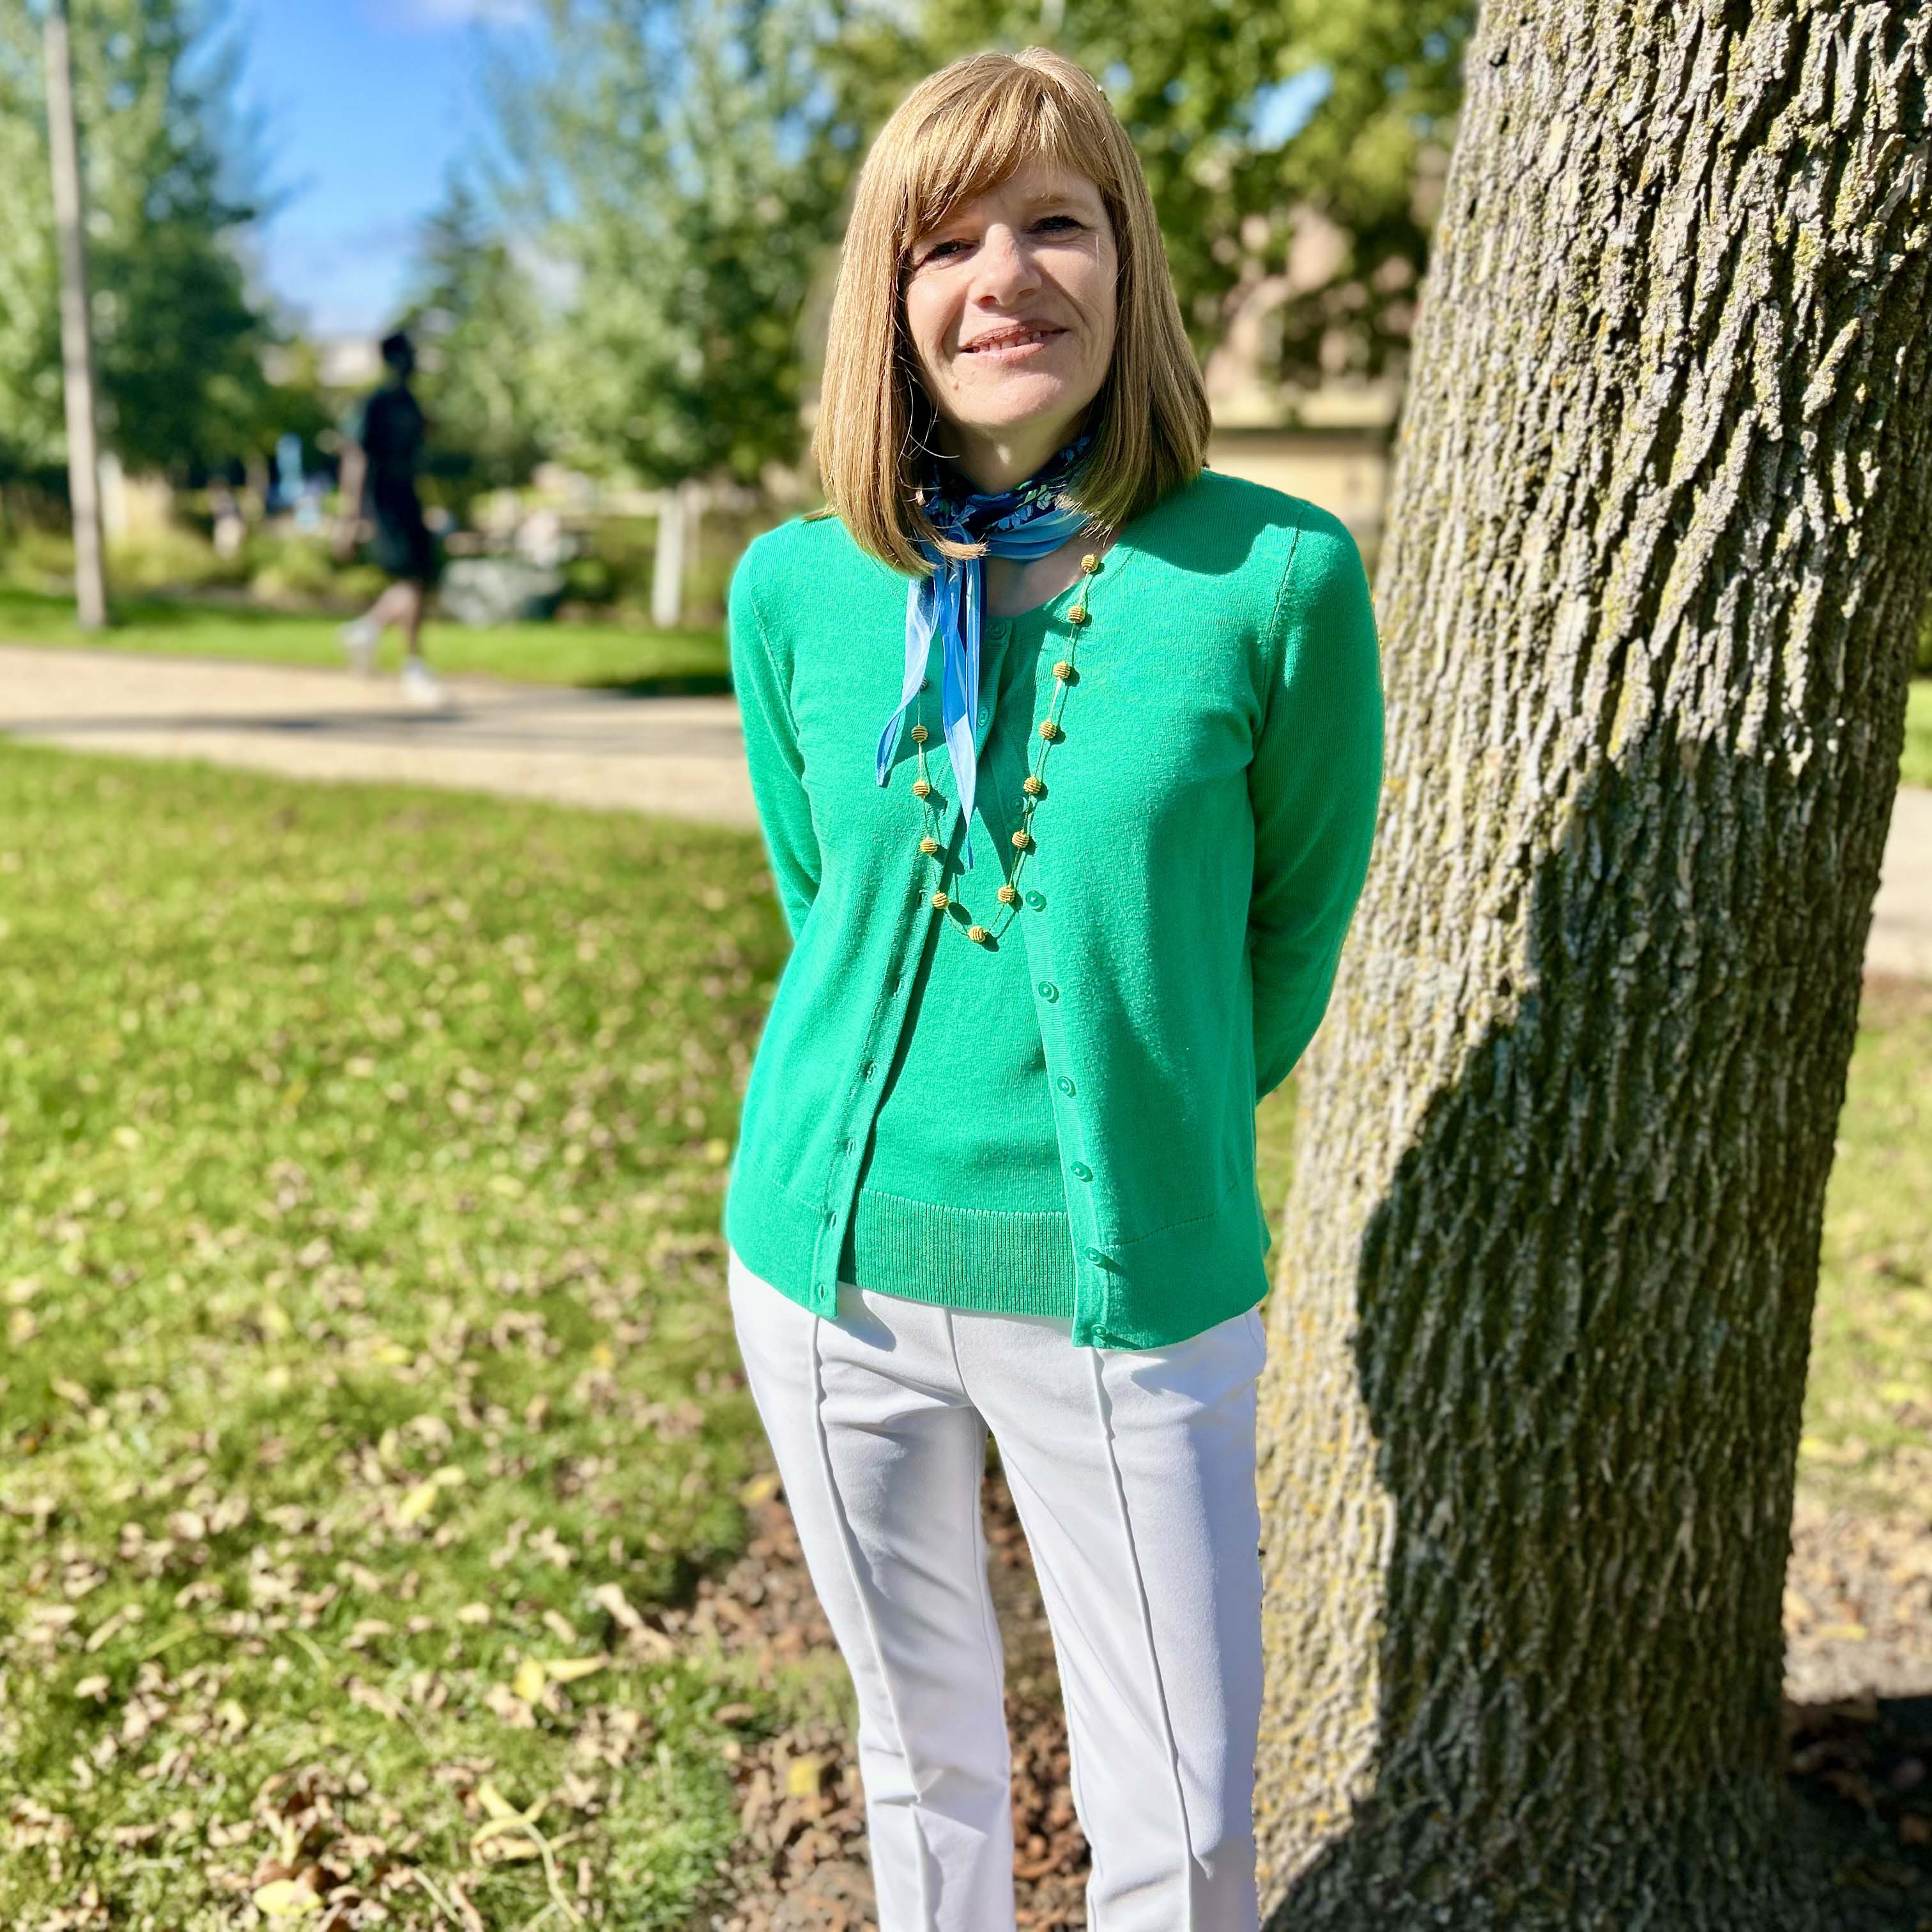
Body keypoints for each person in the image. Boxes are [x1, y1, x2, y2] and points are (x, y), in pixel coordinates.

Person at [723, 47, 1384, 1932]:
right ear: (890, 295)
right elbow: (818, 895)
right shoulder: (794, 586)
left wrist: (1147, 1104)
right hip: (822, 1270)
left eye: (1054, 223)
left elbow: (1288, 928)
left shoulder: (1274, 579)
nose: (1000, 275)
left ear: (1128, 267)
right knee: (919, 1758)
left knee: (1177, 1823)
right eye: (945, 240)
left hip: (1128, 1296)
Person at [334, 330, 447, 707]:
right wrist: (351, 516)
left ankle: (366, 630)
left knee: (419, 579)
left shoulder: (409, 403)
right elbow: (356, 457)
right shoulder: (376, 404)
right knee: (410, 580)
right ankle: (413, 664)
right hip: (382, 502)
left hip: (409, 499)